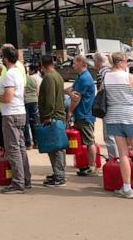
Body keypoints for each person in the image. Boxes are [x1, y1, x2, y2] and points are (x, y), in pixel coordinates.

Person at [103, 52, 133, 199]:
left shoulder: (106, 77)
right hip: (132, 115)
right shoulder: (129, 77)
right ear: (121, 62)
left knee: (123, 153)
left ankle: (127, 188)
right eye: (126, 62)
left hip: (114, 116)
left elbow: (102, 94)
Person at [0, 45, 31, 194]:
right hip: (20, 112)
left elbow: (7, 97)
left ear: (5, 59)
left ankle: (18, 183)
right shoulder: (19, 71)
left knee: (13, 149)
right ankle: (25, 179)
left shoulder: (10, 74)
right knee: (20, 147)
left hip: (11, 114)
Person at [38, 55, 67, 187]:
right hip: (58, 116)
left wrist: (47, 116)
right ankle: (58, 173)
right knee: (57, 147)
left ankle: (59, 176)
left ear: (42, 65)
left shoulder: (49, 77)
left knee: (55, 148)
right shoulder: (57, 75)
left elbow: (49, 99)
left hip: (53, 117)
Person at [67, 54, 97, 176]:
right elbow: (72, 89)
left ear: (80, 63)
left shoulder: (85, 78)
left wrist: (69, 111)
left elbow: (76, 97)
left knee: (89, 141)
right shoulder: (81, 77)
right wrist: (67, 91)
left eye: (74, 63)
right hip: (81, 114)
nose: (73, 65)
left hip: (85, 114)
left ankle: (92, 166)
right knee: (84, 141)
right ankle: (88, 164)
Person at [92, 53, 118, 159]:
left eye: (94, 61)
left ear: (98, 61)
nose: (94, 64)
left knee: (109, 136)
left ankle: (114, 159)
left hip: (107, 107)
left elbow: (101, 91)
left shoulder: (102, 73)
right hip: (115, 106)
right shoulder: (111, 71)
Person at [23, 63, 42, 149]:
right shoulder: (36, 79)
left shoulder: (25, 79)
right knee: (34, 122)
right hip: (35, 101)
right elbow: (37, 91)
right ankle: (37, 142)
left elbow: (23, 91)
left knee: (26, 123)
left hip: (26, 101)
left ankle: (28, 144)